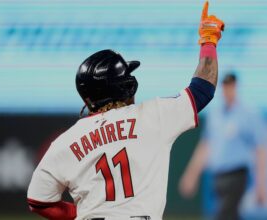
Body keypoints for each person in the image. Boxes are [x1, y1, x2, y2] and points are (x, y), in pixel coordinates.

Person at [26, 1, 224, 219]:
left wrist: (78, 214)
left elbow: (38, 201)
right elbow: (204, 87)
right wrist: (208, 41)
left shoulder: (65, 142)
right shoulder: (153, 116)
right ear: (121, 86)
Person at [179, 73, 267, 220]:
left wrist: (261, 184)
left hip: (238, 174)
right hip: (218, 176)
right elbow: (205, 147)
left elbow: (260, 149)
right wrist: (191, 175)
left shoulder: (248, 113)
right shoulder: (216, 115)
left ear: (236, 87)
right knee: (231, 215)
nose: (228, 90)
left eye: (231, 86)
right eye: (225, 86)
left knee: (225, 214)